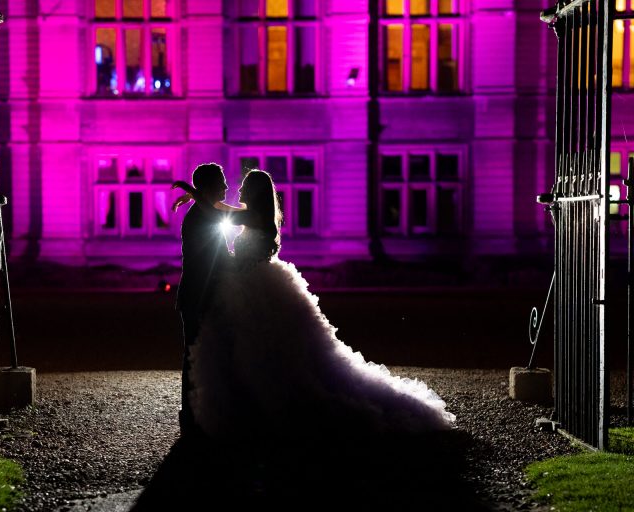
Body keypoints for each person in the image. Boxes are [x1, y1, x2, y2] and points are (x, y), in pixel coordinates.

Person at [172, 170, 455, 443]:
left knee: (269, 353)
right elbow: (221, 208)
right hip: (252, 286)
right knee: (257, 352)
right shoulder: (256, 214)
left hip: (257, 288)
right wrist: (198, 196)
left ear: (255, 192)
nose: (237, 189)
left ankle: (268, 408)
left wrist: (191, 192)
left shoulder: (255, 217)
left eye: (244, 186)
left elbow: (219, 212)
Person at [175, 163, 232, 436]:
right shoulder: (203, 218)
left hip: (199, 294)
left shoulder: (205, 213)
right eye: (221, 182)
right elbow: (216, 259)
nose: (227, 187)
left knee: (200, 354)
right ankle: (192, 416)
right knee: (195, 356)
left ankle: (197, 414)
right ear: (208, 187)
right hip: (199, 295)